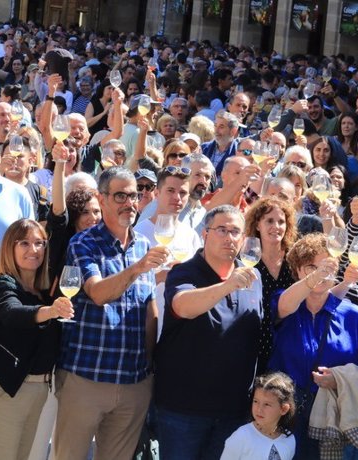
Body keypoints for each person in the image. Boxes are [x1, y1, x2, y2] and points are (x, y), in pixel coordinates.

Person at [53, 167, 169, 460]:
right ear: (101, 199)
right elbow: (98, 293)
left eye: (134, 195)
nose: (129, 202)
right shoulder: (83, 243)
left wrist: (149, 365)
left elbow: (149, 309)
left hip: (134, 381)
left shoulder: (143, 245)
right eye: (120, 195)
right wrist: (137, 268)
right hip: (86, 375)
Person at [155, 205, 263, 460]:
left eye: (236, 231)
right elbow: (183, 306)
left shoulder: (252, 276)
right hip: (183, 410)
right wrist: (227, 286)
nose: (229, 237)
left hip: (233, 410)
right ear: (205, 234)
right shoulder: (185, 271)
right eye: (222, 230)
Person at [0, 219, 74, 460]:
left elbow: (61, 225)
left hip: (38, 388)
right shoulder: (4, 283)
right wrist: (49, 312)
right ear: (10, 246)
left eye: (40, 243)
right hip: (5, 387)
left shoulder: (43, 290)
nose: (34, 249)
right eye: (25, 243)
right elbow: (11, 312)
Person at [268, 232, 358, 458]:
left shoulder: (353, 315)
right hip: (285, 415)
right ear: (297, 271)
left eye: (327, 266)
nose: (321, 273)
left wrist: (338, 379)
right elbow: (284, 305)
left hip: (333, 418)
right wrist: (316, 277)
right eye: (310, 266)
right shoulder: (285, 303)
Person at [134, 166, 202, 337]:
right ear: (157, 193)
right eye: (170, 190)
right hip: (142, 324)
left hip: (179, 328)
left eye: (183, 193)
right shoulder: (138, 233)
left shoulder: (191, 235)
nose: (177, 198)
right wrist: (158, 277)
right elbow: (125, 282)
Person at [244, 197, 297, 374]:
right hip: (253, 344)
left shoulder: (295, 259)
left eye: (281, 221)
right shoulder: (246, 259)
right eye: (269, 220)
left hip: (289, 343)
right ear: (257, 224)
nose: (276, 226)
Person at [220, 372, 296, 460]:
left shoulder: (289, 439)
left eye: (267, 404)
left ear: (284, 409)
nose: (259, 409)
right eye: (256, 401)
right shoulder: (242, 436)